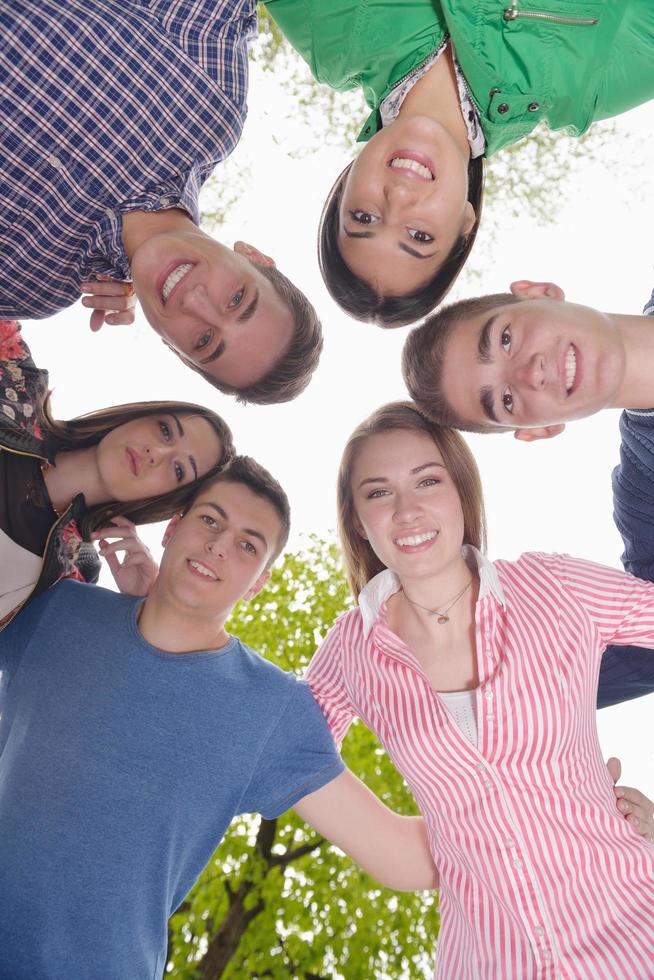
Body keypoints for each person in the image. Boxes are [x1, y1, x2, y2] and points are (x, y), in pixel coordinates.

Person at [0, 456, 440, 978]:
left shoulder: (271, 710)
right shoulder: (59, 610)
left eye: (248, 545)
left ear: (258, 583)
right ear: (172, 528)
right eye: (210, 520)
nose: (219, 545)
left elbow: (401, 856)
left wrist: (541, 812)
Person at [305, 401, 654, 978]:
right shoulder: (350, 651)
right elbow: (274, 753)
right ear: (357, 518)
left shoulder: (553, 586)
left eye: (427, 481)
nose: (407, 510)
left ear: (462, 490)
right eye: (378, 493)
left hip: (635, 930)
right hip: (488, 960)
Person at [0, 1, 322, 405]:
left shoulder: (31, 285)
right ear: (254, 257)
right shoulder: (207, 100)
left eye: (205, 340)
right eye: (238, 298)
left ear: (176, 352)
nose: (195, 302)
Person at [264, 0, 654, 326]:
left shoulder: (330, 34)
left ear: (345, 185)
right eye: (419, 236)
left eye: (363, 218)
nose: (397, 197)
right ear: (465, 222)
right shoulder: (587, 88)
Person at [0, 319, 234, 627]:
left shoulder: (72, 576)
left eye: (178, 469)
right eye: (165, 431)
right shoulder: (15, 380)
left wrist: (139, 610)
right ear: (140, 416)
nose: (157, 454)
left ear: (166, 499)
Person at [402, 281, 654, 441]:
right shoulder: (643, 510)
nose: (530, 374)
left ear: (539, 293)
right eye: (506, 401)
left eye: (506, 339)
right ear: (541, 429)